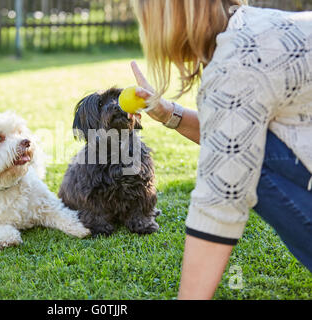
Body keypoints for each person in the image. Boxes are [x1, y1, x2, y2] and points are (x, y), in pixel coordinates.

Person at [130, 0, 312, 299]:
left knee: (246, 163)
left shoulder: (237, 59)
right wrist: (167, 113)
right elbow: (235, 129)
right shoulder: (254, 25)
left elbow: (219, 200)